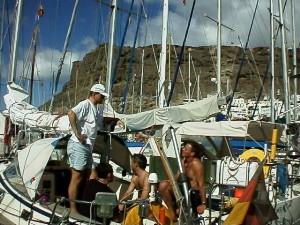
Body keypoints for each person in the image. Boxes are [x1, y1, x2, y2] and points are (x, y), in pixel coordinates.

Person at [67, 83, 108, 212]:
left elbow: (100, 123)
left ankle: (86, 207)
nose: (103, 99)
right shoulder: (85, 104)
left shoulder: (95, 109)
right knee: (76, 178)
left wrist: (116, 120)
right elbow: (71, 113)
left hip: (87, 148)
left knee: (93, 178)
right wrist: (77, 133)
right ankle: (73, 209)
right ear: (94, 94)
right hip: (78, 145)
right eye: (101, 96)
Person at [159, 139, 207, 221]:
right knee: (163, 185)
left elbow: (201, 184)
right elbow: (176, 178)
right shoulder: (184, 161)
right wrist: (169, 182)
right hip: (185, 192)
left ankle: (177, 211)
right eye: (183, 148)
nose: (183, 149)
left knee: (179, 212)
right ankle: (172, 213)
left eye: (186, 149)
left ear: (192, 153)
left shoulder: (196, 164)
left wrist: (203, 204)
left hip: (194, 194)